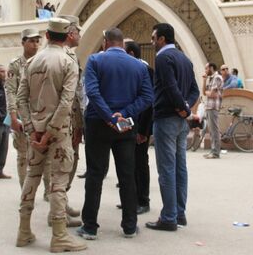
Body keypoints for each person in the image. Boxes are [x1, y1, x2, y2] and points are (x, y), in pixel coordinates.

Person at [16, 18, 86, 252]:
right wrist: (51, 132)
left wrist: (32, 129)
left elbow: (21, 99)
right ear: (67, 35)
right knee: (58, 183)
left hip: (35, 132)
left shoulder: (32, 61)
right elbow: (66, 102)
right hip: (58, 134)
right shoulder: (67, 62)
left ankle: (23, 230)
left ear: (46, 35)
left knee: (31, 177)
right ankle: (59, 236)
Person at [78, 28, 153, 240]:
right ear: (121, 43)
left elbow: (92, 92)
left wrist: (110, 117)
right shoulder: (139, 66)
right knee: (127, 175)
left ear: (105, 42)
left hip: (98, 123)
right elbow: (147, 97)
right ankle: (129, 226)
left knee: (95, 174)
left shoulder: (94, 61)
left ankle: (90, 226)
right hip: (126, 127)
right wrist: (124, 114)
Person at [146, 23, 199, 232]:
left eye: (153, 38)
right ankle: (179, 212)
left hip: (167, 118)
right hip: (180, 121)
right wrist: (186, 108)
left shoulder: (163, 58)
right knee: (180, 166)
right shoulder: (184, 59)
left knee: (167, 168)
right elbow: (194, 90)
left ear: (161, 39)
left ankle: (169, 216)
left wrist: (181, 107)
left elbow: (169, 87)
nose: (152, 42)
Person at [57, 14, 86, 225]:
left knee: (66, 164)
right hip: (65, 122)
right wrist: (77, 124)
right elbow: (69, 97)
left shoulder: (66, 55)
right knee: (64, 164)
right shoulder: (66, 57)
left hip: (65, 121)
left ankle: (61, 204)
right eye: (78, 31)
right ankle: (56, 213)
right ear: (70, 32)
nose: (80, 35)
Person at [6, 28, 42, 189]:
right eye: (31, 41)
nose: (35, 45)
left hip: (41, 115)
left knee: (45, 156)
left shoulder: (43, 61)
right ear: (23, 42)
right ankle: (25, 190)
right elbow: (10, 91)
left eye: (37, 41)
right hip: (22, 115)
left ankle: (49, 191)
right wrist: (13, 116)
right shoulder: (15, 65)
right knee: (22, 155)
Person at [123, 40, 154, 215]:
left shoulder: (146, 71)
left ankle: (143, 200)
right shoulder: (129, 71)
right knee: (129, 163)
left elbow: (148, 104)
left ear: (132, 54)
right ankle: (131, 199)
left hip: (140, 126)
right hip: (128, 125)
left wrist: (143, 131)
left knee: (140, 163)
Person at [202, 62, 224, 159]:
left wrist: (208, 93)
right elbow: (204, 92)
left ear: (211, 68)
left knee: (214, 130)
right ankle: (213, 150)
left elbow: (212, 94)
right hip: (209, 106)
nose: (205, 71)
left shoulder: (217, 78)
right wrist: (204, 80)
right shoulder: (211, 78)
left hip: (213, 107)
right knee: (211, 130)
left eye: (206, 69)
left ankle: (215, 152)